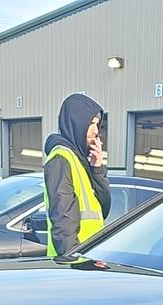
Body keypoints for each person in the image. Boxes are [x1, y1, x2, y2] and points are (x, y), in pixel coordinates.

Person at [43, 93, 111, 260]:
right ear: (77, 123)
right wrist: (71, 263)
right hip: (75, 263)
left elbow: (104, 209)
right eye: (91, 124)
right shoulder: (61, 158)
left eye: (98, 125)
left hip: (87, 258)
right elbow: (63, 218)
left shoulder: (80, 161)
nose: (96, 132)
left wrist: (97, 169)